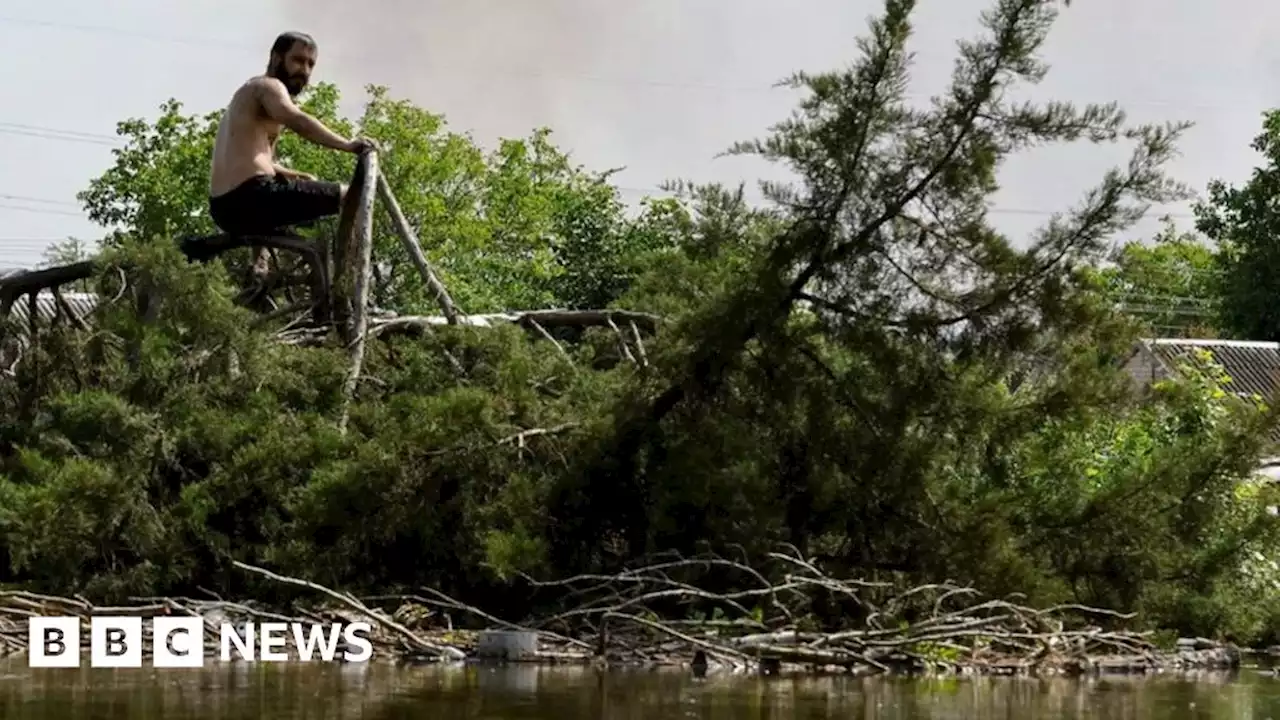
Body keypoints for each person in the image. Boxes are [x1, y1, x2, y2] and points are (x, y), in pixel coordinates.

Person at [208, 31, 376, 276]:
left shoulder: (247, 98)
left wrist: (292, 173)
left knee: (292, 191)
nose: (305, 71)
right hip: (250, 196)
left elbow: (261, 162)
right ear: (277, 58)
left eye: (311, 64)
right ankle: (351, 278)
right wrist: (347, 145)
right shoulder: (267, 86)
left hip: (225, 208)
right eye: (298, 60)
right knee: (353, 196)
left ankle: (260, 266)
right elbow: (298, 120)